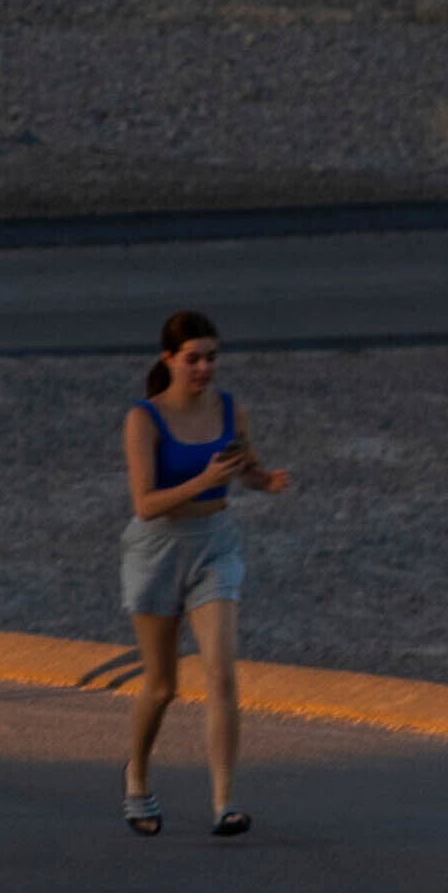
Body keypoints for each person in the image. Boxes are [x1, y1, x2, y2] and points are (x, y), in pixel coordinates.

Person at [120, 308, 290, 839]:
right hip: (156, 551)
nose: (204, 369)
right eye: (192, 359)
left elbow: (247, 469)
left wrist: (264, 480)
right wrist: (204, 478)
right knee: (162, 685)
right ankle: (137, 777)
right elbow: (145, 503)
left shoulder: (231, 410)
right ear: (169, 359)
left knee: (221, 673)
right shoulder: (143, 419)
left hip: (215, 544)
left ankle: (224, 802)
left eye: (212, 358)